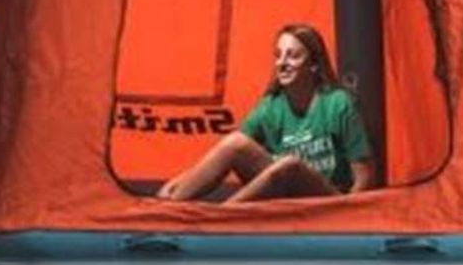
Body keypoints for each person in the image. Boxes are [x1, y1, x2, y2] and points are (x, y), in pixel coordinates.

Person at [158, 24, 377, 201]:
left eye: (293, 56)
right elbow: (230, 149)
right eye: (278, 55)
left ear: (313, 65)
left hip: (326, 200)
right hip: (283, 195)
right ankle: (171, 210)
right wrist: (178, 183)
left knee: (290, 164)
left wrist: (347, 219)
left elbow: (364, 177)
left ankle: (223, 215)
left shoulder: (338, 103)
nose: (282, 63)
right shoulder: (271, 106)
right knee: (235, 143)